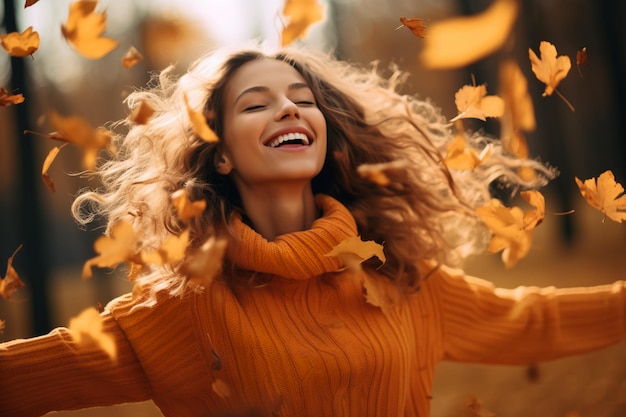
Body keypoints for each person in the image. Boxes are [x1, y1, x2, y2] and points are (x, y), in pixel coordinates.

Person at [1, 41, 624, 417]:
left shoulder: (394, 275)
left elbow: (533, 320)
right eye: (256, 103)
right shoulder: (180, 309)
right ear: (219, 155)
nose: (290, 108)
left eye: (301, 97)